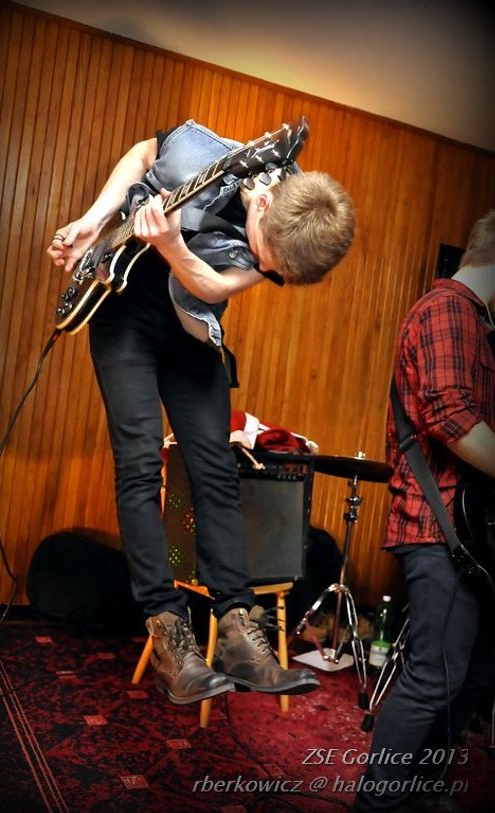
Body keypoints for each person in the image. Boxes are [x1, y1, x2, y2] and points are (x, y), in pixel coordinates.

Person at [47, 119, 355, 706]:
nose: (264, 270)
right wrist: (92, 221)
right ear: (262, 202)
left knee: (216, 470)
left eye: (273, 272)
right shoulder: (203, 152)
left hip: (190, 327)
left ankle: (239, 633)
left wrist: (172, 246)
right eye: (264, 257)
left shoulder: (289, 232)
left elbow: (213, 286)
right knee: (140, 466)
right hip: (125, 315)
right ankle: (169, 636)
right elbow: (143, 153)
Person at [354, 210, 495, 812]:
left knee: (471, 677)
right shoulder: (449, 310)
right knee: (434, 677)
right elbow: (450, 415)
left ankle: (422, 792)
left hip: (469, 535)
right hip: (440, 530)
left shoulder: (475, 320)